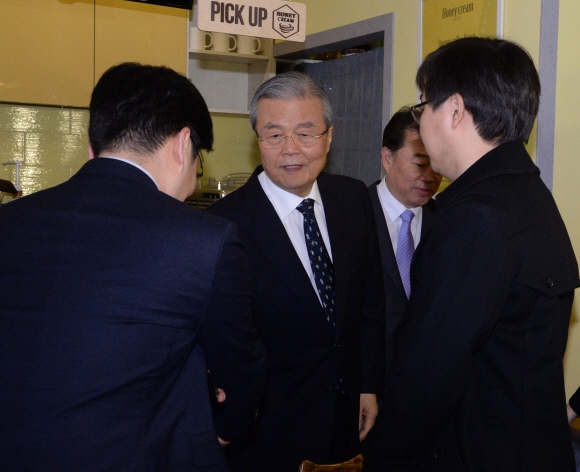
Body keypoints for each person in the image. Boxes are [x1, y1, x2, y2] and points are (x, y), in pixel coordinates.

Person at [0, 62, 266, 471]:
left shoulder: (10, 220)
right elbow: (241, 370)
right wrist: (228, 425)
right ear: (182, 145)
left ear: (93, 148)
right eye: (199, 161)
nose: (194, 179)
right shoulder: (203, 240)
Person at [364, 37, 579, 471]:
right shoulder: (529, 194)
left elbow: (426, 376)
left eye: (423, 106)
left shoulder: (475, 216)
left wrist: (378, 458)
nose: (420, 121)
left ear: (457, 110)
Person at [207, 71, 385, 472]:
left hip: (348, 420)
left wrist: (370, 384)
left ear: (328, 137)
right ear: (259, 141)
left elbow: (370, 301)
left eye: (306, 134)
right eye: (274, 135)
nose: (291, 149)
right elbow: (224, 341)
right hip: (267, 431)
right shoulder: (224, 224)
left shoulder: (352, 197)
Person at [368, 107, 441, 384]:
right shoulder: (351, 215)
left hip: (427, 387)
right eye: (421, 163)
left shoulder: (450, 222)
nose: (430, 176)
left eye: (436, 164)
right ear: (387, 158)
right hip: (368, 387)